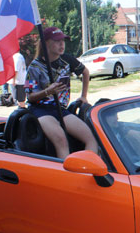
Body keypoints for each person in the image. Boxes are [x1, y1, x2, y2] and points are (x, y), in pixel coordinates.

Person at [25, 26, 98, 159]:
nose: (61, 44)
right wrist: (47, 91)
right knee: (61, 140)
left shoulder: (67, 60)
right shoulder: (34, 67)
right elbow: (30, 97)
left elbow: (85, 72)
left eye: (63, 41)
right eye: (57, 41)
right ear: (46, 43)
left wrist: (84, 96)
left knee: (91, 138)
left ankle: (87, 170)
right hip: (40, 110)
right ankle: (66, 176)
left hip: (61, 109)